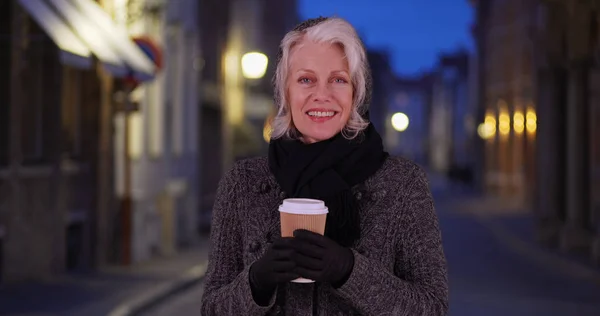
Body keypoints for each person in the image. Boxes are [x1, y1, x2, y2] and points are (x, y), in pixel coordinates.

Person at [200, 16, 448, 316]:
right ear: (285, 92)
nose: (322, 94)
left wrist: (349, 270)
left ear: (356, 93)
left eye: (338, 79)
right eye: (306, 79)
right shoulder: (243, 182)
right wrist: (257, 281)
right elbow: (212, 308)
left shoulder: (403, 183)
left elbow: (432, 307)